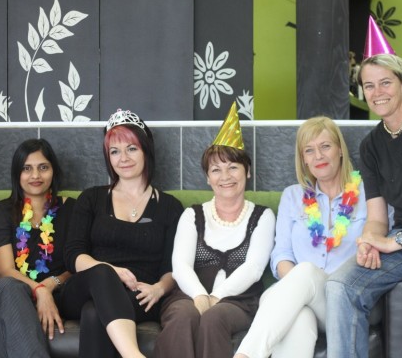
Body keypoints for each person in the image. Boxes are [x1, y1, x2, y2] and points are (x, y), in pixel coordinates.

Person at [233, 116, 367, 358]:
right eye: (309, 150)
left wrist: (304, 279)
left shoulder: (368, 195)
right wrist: (300, 288)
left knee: (305, 272)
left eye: (325, 146)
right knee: (300, 317)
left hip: (345, 300)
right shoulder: (293, 196)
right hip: (298, 296)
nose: (318, 156)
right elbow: (281, 254)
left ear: (340, 150)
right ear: (303, 159)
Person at [58, 108, 184, 358]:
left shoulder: (170, 207)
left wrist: (159, 288)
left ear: (146, 150)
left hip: (141, 295)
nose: (123, 158)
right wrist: (111, 271)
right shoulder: (91, 198)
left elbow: (172, 266)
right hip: (84, 286)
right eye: (114, 151)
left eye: (131, 149)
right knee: (102, 273)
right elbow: (73, 254)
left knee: (94, 312)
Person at [153, 102, 276, 358]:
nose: (225, 176)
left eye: (233, 167)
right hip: (187, 297)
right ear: (208, 178)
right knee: (184, 316)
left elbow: (254, 268)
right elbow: (180, 266)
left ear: (247, 171)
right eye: (216, 170)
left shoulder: (263, 216)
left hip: (238, 302)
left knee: (213, 318)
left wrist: (216, 297)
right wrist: (200, 296)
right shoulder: (192, 215)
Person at [326, 18, 402, 357]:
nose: (378, 93)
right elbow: (377, 217)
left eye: (386, 82)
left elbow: (394, 237)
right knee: (340, 286)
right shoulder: (371, 146)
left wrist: (395, 240)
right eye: (369, 86)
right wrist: (371, 242)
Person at [0, 139, 75, 357]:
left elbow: (78, 260)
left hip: (56, 295)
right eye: (27, 168)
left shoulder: (72, 210)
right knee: (10, 288)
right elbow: (4, 271)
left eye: (43, 167)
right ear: (17, 174)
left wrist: (52, 283)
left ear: (53, 171)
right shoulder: (2, 211)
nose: (35, 176)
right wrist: (40, 290)